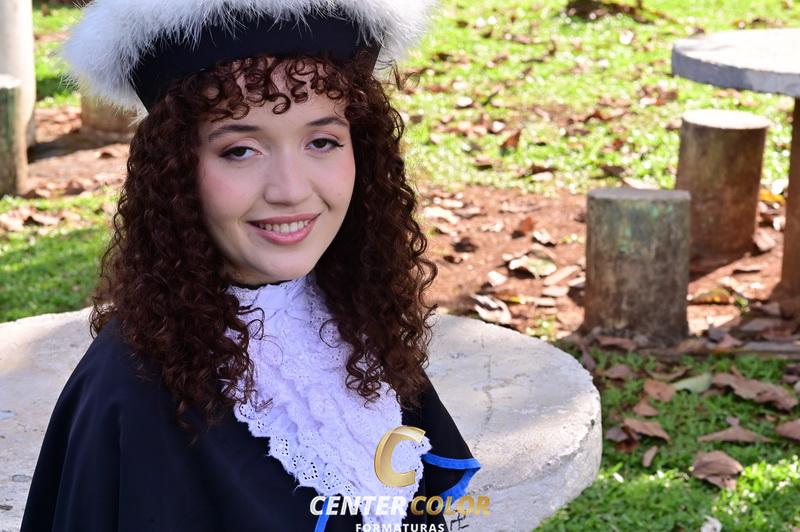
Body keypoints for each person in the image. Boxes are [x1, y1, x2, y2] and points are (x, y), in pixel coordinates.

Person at [19, 1, 480, 531]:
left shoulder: (352, 316)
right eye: (240, 150)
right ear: (174, 169)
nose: (291, 190)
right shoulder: (131, 397)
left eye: (322, 141)